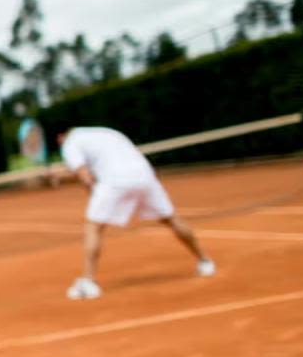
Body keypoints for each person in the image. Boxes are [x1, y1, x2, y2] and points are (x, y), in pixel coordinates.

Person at [52, 124, 216, 300]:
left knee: (94, 226)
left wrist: (95, 196)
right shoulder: (104, 132)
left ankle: (88, 281)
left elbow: (85, 176)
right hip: (144, 175)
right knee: (170, 218)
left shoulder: (70, 144)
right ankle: (204, 261)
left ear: (60, 137)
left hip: (115, 180)